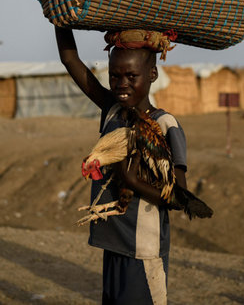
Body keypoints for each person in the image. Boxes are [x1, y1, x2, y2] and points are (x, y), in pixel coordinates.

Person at [55, 27, 187, 305]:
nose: (121, 84)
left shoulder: (165, 125)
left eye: (131, 76)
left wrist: (133, 181)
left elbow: (180, 197)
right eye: (114, 76)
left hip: (143, 250)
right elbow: (70, 60)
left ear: (152, 74)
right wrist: (60, 18)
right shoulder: (112, 110)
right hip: (113, 243)